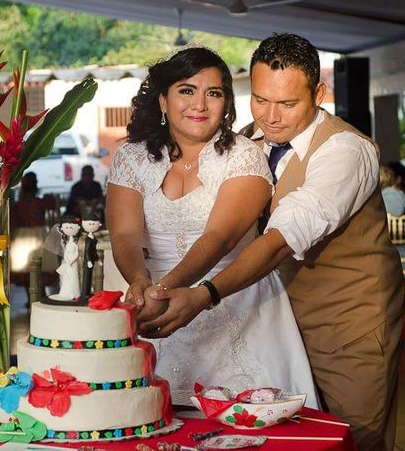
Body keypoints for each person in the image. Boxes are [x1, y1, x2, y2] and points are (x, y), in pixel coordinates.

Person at [139, 35, 405, 451]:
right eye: (260, 100)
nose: (271, 117)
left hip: (347, 326)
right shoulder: (247, 143)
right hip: (277, 326)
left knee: (353, 439)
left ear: (319, 94)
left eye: (287, 104)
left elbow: (283, 238)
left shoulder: (345, 151)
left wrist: (205, 294)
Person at [106, 46, 317, 407]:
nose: (200, 105)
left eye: (213, 93)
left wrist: (164, 290)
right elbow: (124, 234)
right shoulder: (131, 157)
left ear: (227, 103)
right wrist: (140, 285)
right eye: (187, 91)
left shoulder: (244, 155)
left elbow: (219, 238)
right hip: (150, 303)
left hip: (232, 299)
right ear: (162, 101)